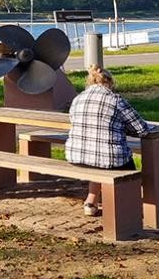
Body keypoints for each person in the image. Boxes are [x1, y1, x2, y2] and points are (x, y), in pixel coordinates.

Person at [65, 66, 152, 217]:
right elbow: (142, 129)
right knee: (113, 161)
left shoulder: (78, 99)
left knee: (97, 157)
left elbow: (74, 121)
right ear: (110, 82)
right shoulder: (115, 100)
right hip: (110, 158)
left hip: (76, 156)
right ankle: (129, 208)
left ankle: (91, 201)